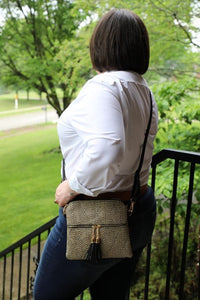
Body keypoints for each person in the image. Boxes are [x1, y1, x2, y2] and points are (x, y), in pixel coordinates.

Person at [33, 8, 158, 300]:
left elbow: (108, 146)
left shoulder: (103, 87)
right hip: (138, 206)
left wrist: (71, 186)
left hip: (97, 216)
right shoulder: (142, 89)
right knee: (111, 295)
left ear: (101, 44)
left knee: (46, 295)